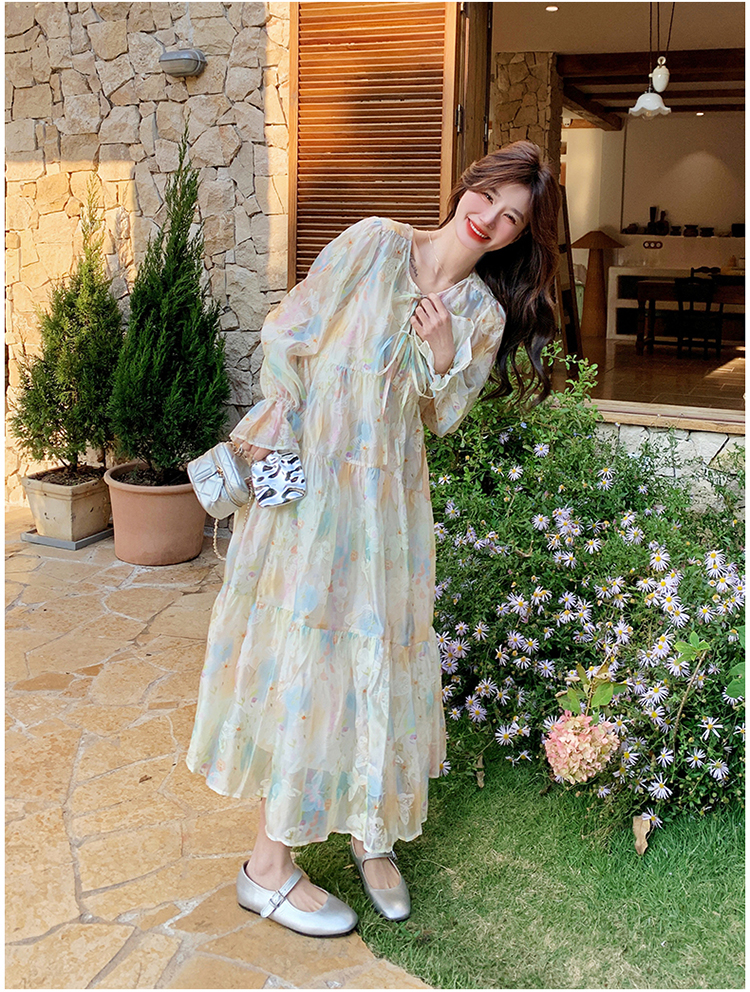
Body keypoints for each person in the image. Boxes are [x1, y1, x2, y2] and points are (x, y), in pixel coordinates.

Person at [186, 140, 561, 937]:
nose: (491, 219)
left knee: (379, 653)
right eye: (490, 196)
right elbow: (291, 332)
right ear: (470, 184)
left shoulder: (481, 314)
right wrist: (281, 427)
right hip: (312, 495)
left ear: (520, 234)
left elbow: (442, 416)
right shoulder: (372, 243)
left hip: (387, 510)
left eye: (512, 217)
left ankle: (370, 829)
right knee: (307, 656)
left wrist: (442, 354)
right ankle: (266, 867)